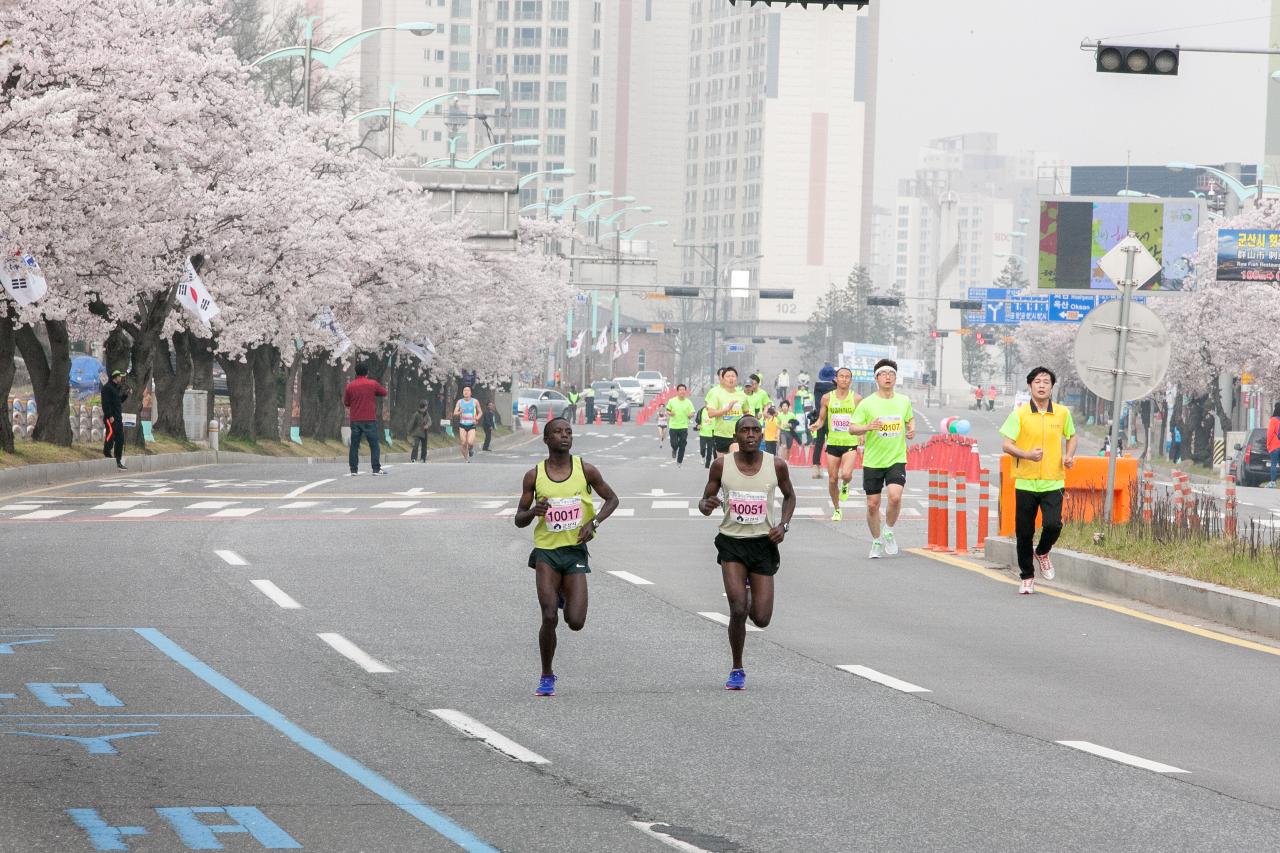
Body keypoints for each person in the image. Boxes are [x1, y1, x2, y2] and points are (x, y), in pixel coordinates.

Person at [514, 417, 619, 697]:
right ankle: (547, 674)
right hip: (546, 552)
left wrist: (593, 523)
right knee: (549, 616)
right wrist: (533, 512)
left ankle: (564, 595)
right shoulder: (533, 476)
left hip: (574, 552)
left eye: (568, 432)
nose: (564, 436)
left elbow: (612, 499)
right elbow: (518, 519)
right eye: (558, 432)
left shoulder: (585, 470)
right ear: (546, 440)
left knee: (575, 621)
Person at [698, 415, 796, 691]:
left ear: (762, 434)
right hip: (731, 542)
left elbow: (790, 496)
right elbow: (704, 502)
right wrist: (707, 503)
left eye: (755, 430)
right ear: (736, 436)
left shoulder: (776, 465)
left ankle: (750, 589)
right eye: (745, 430)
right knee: (738, 608)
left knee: (762, 618)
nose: (751, 434)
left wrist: (783, 525)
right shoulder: (721, 465)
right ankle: (737, 668)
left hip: (763, 544)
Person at [999, 366, 1077, 595]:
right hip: (1025, 480)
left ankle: (1043, 552)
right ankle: (1027, 576)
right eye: (1037, 382)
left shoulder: (1062, 413)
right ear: (1030, 386)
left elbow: (1071, 436)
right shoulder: (1020, 414)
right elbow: (1007, 444)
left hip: (1053, 480)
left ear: (1052, 387)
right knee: (1024, 533)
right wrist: (1026, 455)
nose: (1042, 385)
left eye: (1046, 382)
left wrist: (1069, 455)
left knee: (1053, 525)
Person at [849, 360, 915, 558]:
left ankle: (889, 529)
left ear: (895, 378)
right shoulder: (867, 403)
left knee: (895, 496)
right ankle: (877, 540)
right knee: (872, 504)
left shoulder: (903, 400)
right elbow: (852, 428)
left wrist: (911, 428)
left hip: (896, 457)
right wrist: (867, 427)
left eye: (891, 373)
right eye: (883, 373)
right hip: (873, 460)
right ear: (876, 378)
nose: (887, 376)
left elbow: (909, 418)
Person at [813, 366, 861, 521]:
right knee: (833, 479)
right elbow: (822, 419)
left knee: (846, 474)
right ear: (836, 379)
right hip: (833, 443)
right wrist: (816, 425)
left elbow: (862, 420)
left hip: (850, 442)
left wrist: (862, 435)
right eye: (841, 376)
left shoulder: (857, 399)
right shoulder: (827, 398)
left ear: (851, 380)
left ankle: (846, 484)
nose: (844, 379)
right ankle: (837, 509)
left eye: (847, 377)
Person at [343, 364, 388, 476]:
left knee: (354, 445)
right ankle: (376, 469)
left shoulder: (350, 386)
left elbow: (347, 402)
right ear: (367, 372)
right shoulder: (372, 384)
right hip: (369, 419)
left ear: (356, 373)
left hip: (355, 420)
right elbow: (384, 392)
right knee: (374, 445)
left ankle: (353, 469)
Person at [704, 366, 749, 458]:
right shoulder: (716, 395)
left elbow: (746, 413)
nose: (731, 378)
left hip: (736, 434)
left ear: (736, 379)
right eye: (728, 376)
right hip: (720, 434)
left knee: (735, 459)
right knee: (722, 465)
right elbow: (710, 413)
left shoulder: (742, 395)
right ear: (723, 379)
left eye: (733, 376)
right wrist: (726, 410)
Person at [810, 363, 837, 479]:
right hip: (832, 419)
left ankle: (816, 468)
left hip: (820, 418)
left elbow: (816, 404)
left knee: (819, 443)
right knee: (833, 443)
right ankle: (833, 467)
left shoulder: (817, 388)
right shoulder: (836, 388)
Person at [100, 370, 130, 470]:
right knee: (110, 434)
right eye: (120, 377)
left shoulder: (116, 389)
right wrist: (109, 415)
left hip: (117, 418)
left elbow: (118, 401)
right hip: (111, 418)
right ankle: (107, 451)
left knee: (120, 439)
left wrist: (125, 395)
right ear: (115, 377)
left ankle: (118, 460)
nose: (121, 378)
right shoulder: (107, 388)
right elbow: (105, 404)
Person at [665, 384, 696, 468]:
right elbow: (667, 410)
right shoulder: (672, 401)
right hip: (673, 426)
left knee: (682, 445)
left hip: (683, 427)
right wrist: (670, 413)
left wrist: (691, 415)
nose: (682, 391)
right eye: (680, 390)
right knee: (674, 443)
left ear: (685, 391)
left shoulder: (688, 402)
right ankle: (674, 449)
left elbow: (693, 412)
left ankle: (679, 461)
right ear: (677, 391)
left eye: (683, 390)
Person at [453, 386, 481, 462]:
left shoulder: (475, 401)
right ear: (463, 392)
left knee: (470, 442)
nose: (466, 392)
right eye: (464, 390)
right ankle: (466, 459)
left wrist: (477, 418)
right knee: (463, 443)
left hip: (472, 424)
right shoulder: (459, 401)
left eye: (468, 390)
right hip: (462, 424)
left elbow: (480, 412)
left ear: (471, 392)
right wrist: (460, 412)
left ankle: (471, 448)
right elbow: (455, 413)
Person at [1267, 402, 1280, 488]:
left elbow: (1270, 434)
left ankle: (1273, 482)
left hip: (1275, 446)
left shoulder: (1273, 420)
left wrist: (1268, 445)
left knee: (1273, 464)